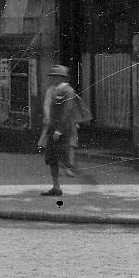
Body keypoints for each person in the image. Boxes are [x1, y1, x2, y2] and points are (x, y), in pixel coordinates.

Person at [37, 64, 90, 196]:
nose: (53, 79)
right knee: (51, 158)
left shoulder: (68, 91)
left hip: (64, 131)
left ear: (63, 78)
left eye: (56, 76)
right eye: (52, 76)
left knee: (64, 155)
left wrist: (59, 131)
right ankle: (56, 186)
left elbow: (67, 113)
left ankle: (60, 183)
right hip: (53, 130)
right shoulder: (54, 91)